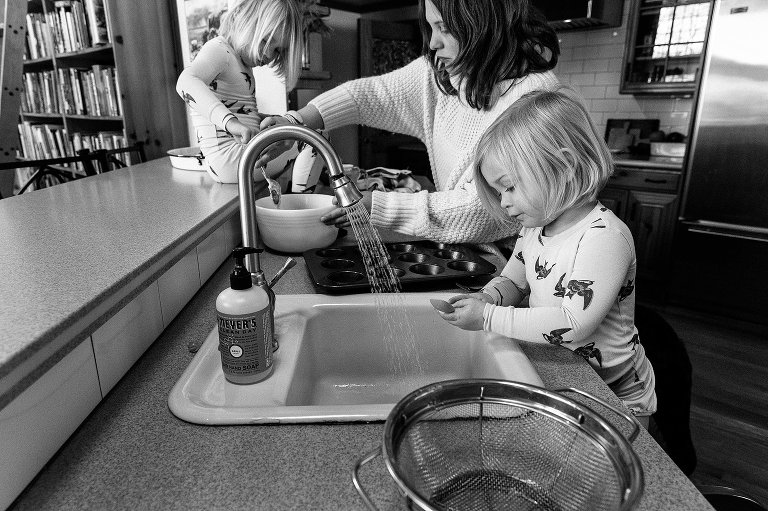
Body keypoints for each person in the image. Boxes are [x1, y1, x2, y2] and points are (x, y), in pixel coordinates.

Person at [261, 0, 560, 258]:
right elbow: (370, 95)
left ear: (483, 24)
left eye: (444, 27)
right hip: (471, 252)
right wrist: (294, 123)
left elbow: (488, 210)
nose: (433, 43)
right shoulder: (445, 75)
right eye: (431, 28)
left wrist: (379, 207)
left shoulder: (534, 97)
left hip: (522, 267)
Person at [437, 89, 657, 427]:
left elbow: (573, 323)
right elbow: (513, 280)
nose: (505, 202)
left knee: (623, 462)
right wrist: (485, 298)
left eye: (509, 187)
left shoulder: (602, 237)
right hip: (568, 372)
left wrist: (487, 317)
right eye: (499, 192)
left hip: (617, 390)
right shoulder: (536, 228)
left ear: (565, 166)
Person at [176, 0, 303, 183]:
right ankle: (304, 206)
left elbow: (236, 108)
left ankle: (299, 203)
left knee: (303, 135)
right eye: (266, 41)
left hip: (234, 160)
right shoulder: (220, 50)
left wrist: (260, 118)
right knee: (314, 138)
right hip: (232, 159)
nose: (269, 55)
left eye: (277, 51)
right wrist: (231, 123)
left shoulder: (239, 63)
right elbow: (185, 81)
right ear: (245, 21)